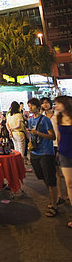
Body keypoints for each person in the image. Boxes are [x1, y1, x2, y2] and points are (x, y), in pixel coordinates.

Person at [27, 98, 58, 218]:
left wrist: (38, 133)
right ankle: (52, 198)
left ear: (38, 106)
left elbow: (52, 136)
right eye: (29, 105)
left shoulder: (45, 120)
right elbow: (31, 135)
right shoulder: (30, 120)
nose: (30, 107)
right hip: (35, 153)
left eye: (32, 105)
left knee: (50, 179)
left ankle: (54, 205)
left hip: (46, 152)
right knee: (42, 177)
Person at [53, 96, 72, 228]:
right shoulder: (58, 118)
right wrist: (58, 151)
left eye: (58, 103)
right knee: (69, 184)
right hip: (64, 153)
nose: (56, 106)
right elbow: (59, 136)